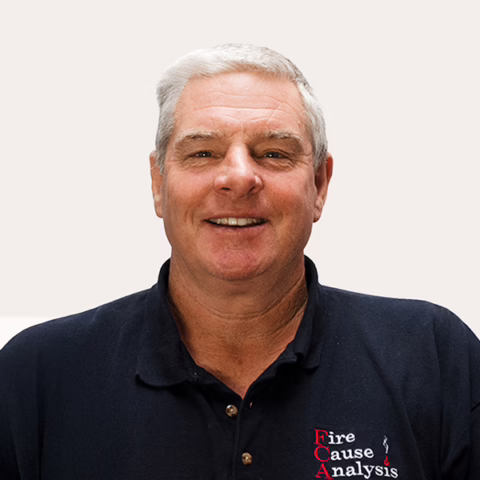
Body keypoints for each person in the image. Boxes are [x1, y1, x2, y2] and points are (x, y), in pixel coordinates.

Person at [0, 44, 478, 479]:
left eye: (273, 153)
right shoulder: (35, 376)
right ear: (158, 183)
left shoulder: (434, 358)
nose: (238, 177)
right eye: (203, 152)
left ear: (319, 185)